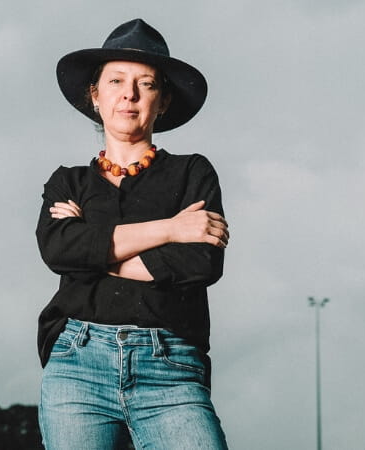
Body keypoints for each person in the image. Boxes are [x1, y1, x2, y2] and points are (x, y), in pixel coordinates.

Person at [35, 18, 230, 450]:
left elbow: (200, 262)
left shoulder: (193, 172)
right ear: (96, 95)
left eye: (146, 84)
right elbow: (57, 248)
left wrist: (92, 253)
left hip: (172, 367)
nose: (130, 94)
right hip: (77, 362)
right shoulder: (67, 182)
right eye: (117, 80)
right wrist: (171, 229)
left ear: (162, 102)